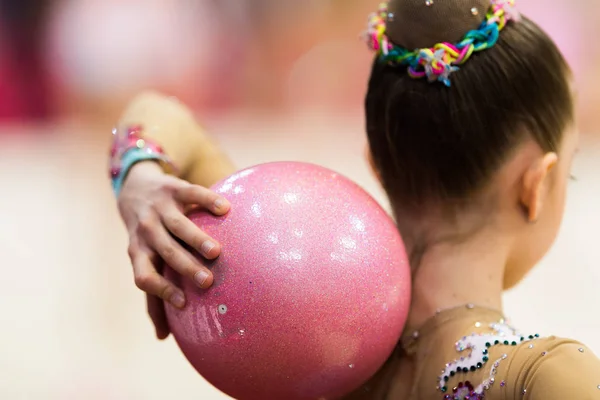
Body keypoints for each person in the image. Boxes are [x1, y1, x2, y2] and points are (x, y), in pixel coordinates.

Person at [111, 0, 600, 398]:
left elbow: (159, 113)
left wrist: (138, 174)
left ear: (375, 162)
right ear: (536, 183)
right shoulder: (544, 379)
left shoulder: (291, 311)